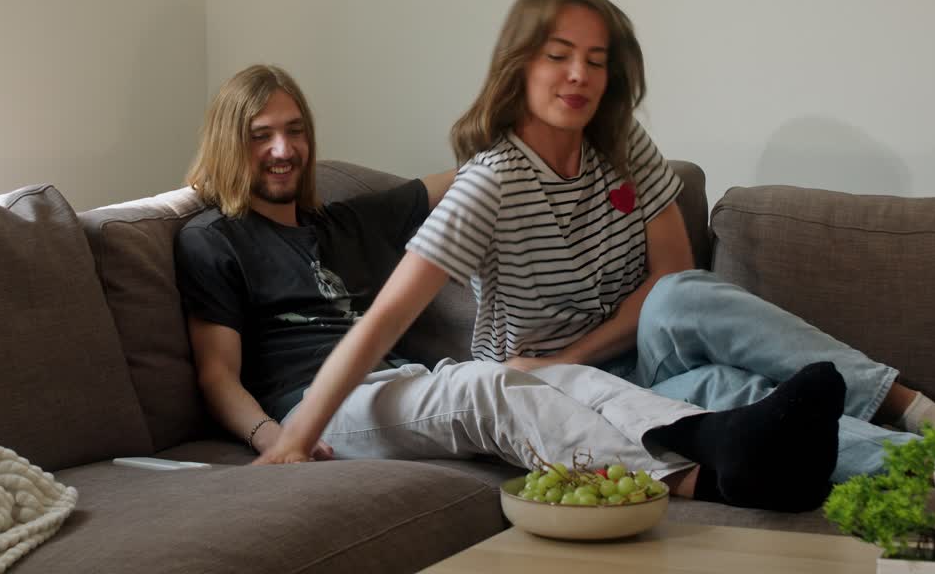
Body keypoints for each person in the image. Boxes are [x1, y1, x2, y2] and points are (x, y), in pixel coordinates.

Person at [259, 0, 935, 489]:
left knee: (681, 297)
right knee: (734, 396)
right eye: (559, 54)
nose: (579, 75)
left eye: (596, 60)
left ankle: (918, 408)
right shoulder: (490, 183)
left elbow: (671, 281)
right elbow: (384, 320)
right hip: (561, 390)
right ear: (520, 65)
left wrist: (580, 350)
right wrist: (297, 434)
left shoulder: (624, 149)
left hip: (627, 356)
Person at [176, 63, 845, 513]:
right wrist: (274, 439)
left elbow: (477, 172)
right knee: (486, 387)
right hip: (320, 410)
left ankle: (720, 439)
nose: (284, 149)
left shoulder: (344, 222)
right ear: (231, 142)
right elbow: (217, 375)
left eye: (294, 131)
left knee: (562, 377)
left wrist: (559, 128)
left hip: (404, 383)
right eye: (262, 136)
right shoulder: (213, 239)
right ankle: (702, 482)